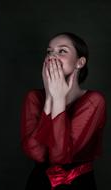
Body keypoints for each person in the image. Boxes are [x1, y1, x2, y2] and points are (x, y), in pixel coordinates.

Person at [20, 32, 107, 190]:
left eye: (62, 51)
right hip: (39, 183)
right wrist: (49, 99)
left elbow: (60, 156)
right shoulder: (34, 97)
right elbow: (36, 154)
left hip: (78, 184)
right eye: (49, 52)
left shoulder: (94, 100)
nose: (52, 57)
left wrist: (59, 100)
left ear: (79, 62)